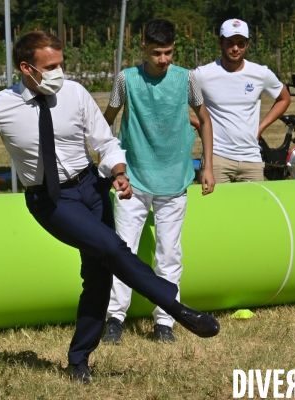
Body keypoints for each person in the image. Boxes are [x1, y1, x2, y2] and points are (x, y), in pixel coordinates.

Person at [0, 31, 220, 384]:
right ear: (26, 68)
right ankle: (176, 308)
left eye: (61, 64)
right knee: (111, 247)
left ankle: (78, 360)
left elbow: (104, 140)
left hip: (91, 186)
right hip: (49, 199)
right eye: (50, 67)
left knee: (98, 275)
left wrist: (117, 171)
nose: (59, 72)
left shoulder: (75, 94)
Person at [102, 19, 215, 343]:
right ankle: (115, 318)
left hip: (175, 181)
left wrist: (207, 166)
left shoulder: (187, 79)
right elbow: (105, 122)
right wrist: (111, 165)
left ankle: (165, 320)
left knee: (169, 254)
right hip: (133, 183)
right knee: (121, 250)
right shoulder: (126, 79)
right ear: (144, 48)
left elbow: (204, 121)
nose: (163, 59)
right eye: (156, 53)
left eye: (167, 53)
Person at [193, 18, 291, 183]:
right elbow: (174, 98)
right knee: (217, 209)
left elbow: (284, 98)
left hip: (252, 160)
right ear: (220, 42)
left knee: (253, 209)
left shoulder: (260, 73)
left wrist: (260, 128)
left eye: (241, 43)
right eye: (230, 43)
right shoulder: (203, 74)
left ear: (248, 44)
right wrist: (197, 123)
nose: (235, 48)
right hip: (217, 159)